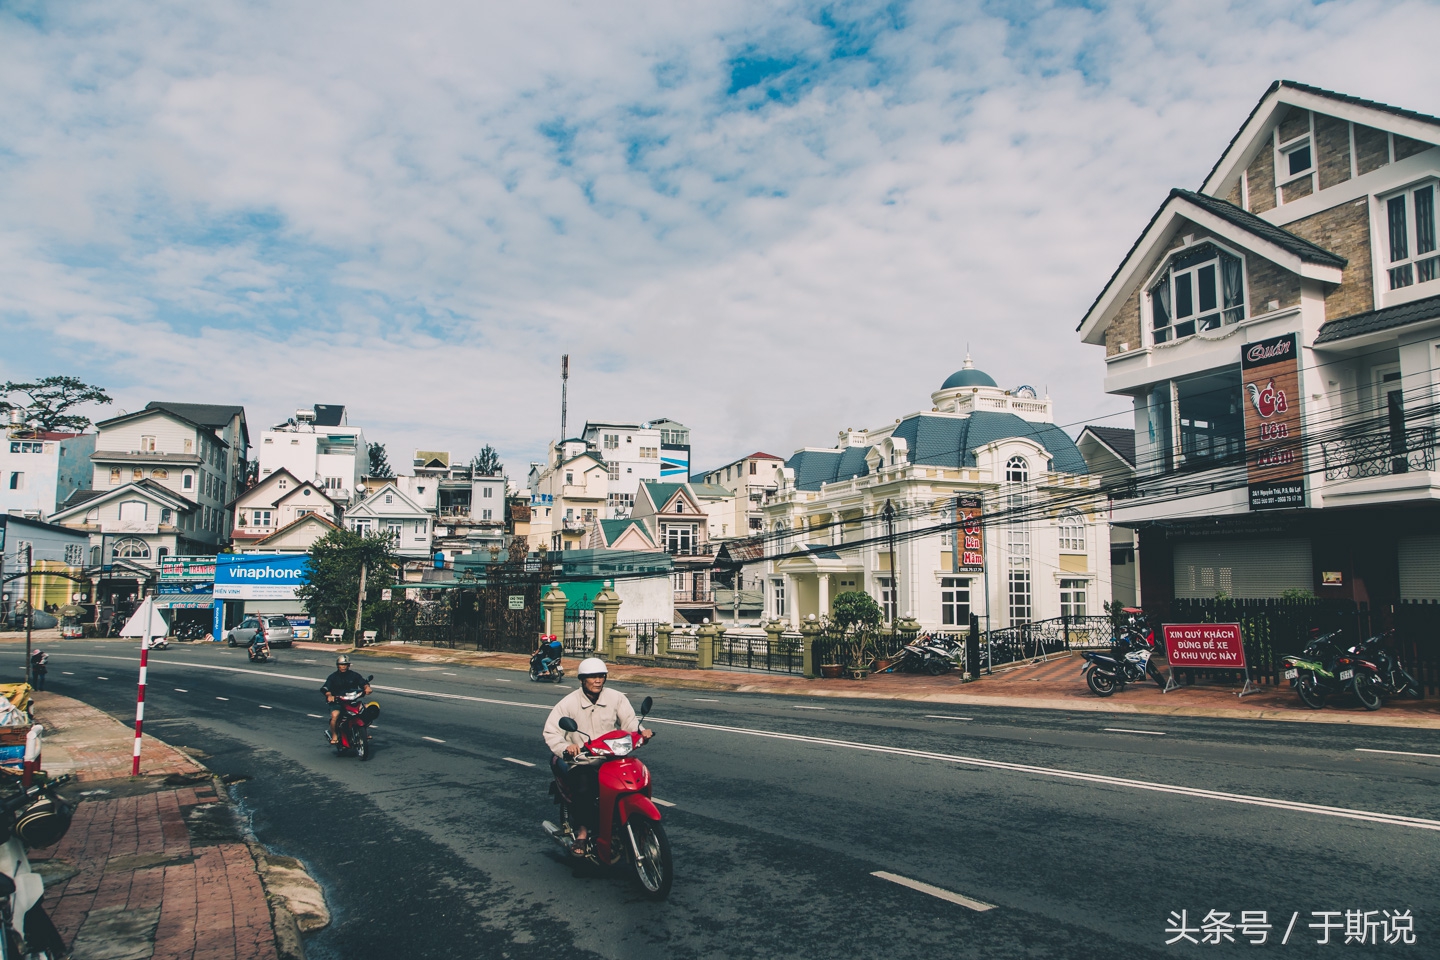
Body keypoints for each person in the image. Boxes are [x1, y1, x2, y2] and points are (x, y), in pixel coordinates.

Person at [542, 658, 653, 855]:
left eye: (601, 676)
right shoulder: (568, 703)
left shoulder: (616, 698)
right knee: (585, 785)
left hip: (611, 757)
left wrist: (641, 732)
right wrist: (567, 747)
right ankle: (583, 833)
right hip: (583, 760)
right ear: (582, 680)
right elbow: (551, 733)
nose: (598, 681)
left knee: (633, 777)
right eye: (592, 677)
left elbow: (629, 722)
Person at [321, 655, 371, 744]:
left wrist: (367, 688)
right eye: (341, 664)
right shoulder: (333, 677)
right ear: (337, 665)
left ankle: (364, 732)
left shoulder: (354, 675)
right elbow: (326, 688)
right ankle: (334, 735)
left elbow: (363, 682)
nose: (343, 666)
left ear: (348, 665)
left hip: (352, 700)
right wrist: (329, 695)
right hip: (337, 701)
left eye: (345, 664)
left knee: (367, 709)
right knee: (335, 715)